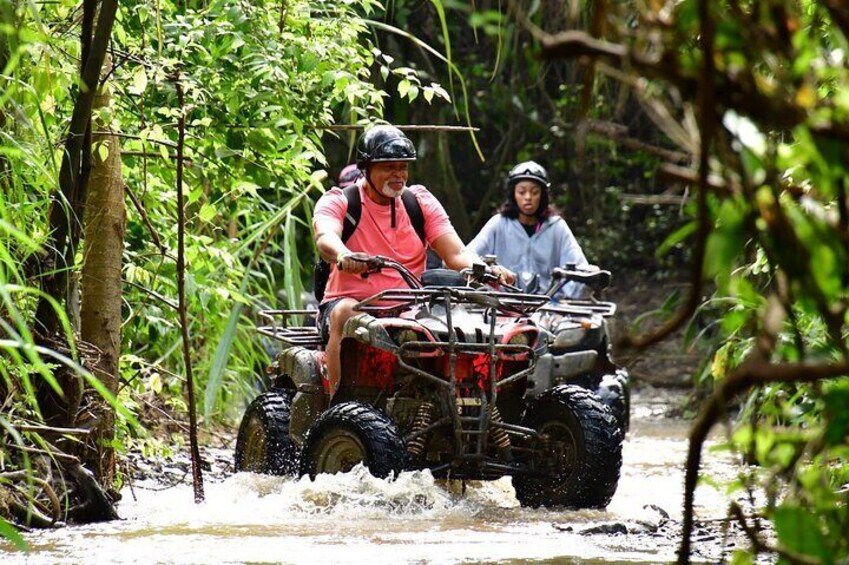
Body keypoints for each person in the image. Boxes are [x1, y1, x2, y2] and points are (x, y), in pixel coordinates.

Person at [312, 125, 515, 397]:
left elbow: (456, 254)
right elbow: (325, 236)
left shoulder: (419, 202)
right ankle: (338, 406)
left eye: (403, 167)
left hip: (411, 309)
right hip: (352, 304)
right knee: (345, 312)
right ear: (366, 168)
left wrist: (486, 270)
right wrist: (344, 255)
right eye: (388, 167)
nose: (398, 174)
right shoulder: (341, 200)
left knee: (465, 324)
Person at [467, 160, 590, 299]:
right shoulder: (498, 224)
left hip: (549, 308)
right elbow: (468, 256)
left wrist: (589, 274)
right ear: (513, 194)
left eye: (534, 192)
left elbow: (578, 269)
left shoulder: (557, 227)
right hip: (502, 306)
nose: (528, 197)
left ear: (543, 195)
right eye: (521, 192)